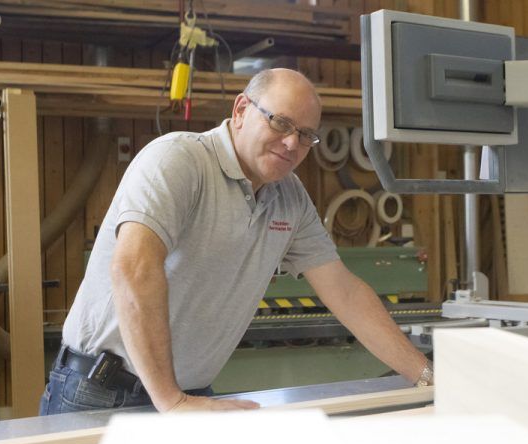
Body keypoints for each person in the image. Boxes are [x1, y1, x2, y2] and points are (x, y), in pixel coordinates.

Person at [39, 68, 433, 416]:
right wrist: (171, 401)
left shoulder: (290, 198)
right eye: (281, 123)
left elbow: (344, 292)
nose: (292, 144)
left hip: (188, 395)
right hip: (101, 392)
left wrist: (427, 378)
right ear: (242, 109)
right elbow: (134, 269)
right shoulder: (179, 160)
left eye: (306, 135)